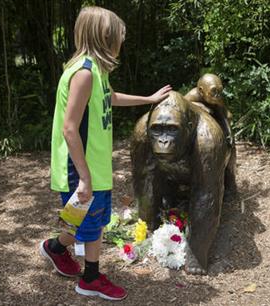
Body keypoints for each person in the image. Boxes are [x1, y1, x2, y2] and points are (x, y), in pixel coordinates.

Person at [39, 6, 171, 301]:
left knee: (83, 218)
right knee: (94, 225)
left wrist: (148, 99)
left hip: (92, 165)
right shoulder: (84, 74)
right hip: (81, 167)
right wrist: (84, 177)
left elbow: (109, 97)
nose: (121, 43)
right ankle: (91, 278)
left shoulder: (94, 71)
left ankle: (56, 248)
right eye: (119, 38)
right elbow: (70, 129)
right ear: (105, 38)